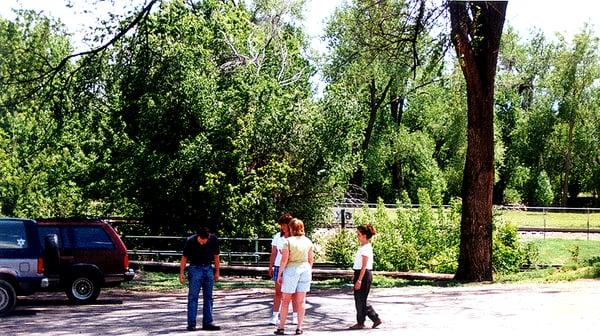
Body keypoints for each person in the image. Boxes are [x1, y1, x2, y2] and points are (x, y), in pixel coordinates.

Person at [275, 218, 313, 335]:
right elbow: (311, 259)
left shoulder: (288, 241)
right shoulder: (308, 241)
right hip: (305, 269)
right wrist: (309, 270)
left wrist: (279, 274)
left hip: (292, 270)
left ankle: (281, 327)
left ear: (291, 228)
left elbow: (284, 260)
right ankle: (299, 327)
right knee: (301, 301)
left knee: (285, 300)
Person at [179, 226, 221, 331]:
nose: (203, 243)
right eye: (201, 240)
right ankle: (191, 323)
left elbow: (216, 256)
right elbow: (184, 258)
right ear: (198, 237)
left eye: (205, 241)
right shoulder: (190, 241)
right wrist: (182, 273)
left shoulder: (213, 240)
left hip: (208, 269)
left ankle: (208, 322)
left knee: (209, 297)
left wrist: (217, 271)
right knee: (193, 297)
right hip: (194, 269)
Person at [348, 224, 382, 330]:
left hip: (364, 274)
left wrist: (359, 280)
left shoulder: (366, 249)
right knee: (360, 299)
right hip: (360, 273)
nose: (357, 236)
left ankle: (362, 322)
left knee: (361, 300)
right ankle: (373, 319)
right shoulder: (363, 247)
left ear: (364, 236)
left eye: (359, 234)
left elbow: (364, 266)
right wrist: (356, 276)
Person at [268, 213, 298, 325]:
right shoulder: (277, 236)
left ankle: (295, 316)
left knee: (293, 293)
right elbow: (273, 253)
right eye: (281, 225)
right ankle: (274, 316)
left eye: (285, 225)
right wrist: (270, 267)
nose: (283, 227)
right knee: (278, 293)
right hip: (278, 267)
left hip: (291, 267)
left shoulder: (295, 237)